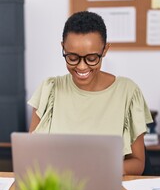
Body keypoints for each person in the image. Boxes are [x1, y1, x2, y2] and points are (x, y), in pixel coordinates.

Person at [28, 11, 153, 175]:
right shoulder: (49, 90)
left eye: (92, 58)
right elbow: (30, 157)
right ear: (63, 48)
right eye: (72, 57)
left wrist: (96, 171)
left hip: (106, 186)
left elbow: (138, 164)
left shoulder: (128, 92)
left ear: (105, 49)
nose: (81, 67)